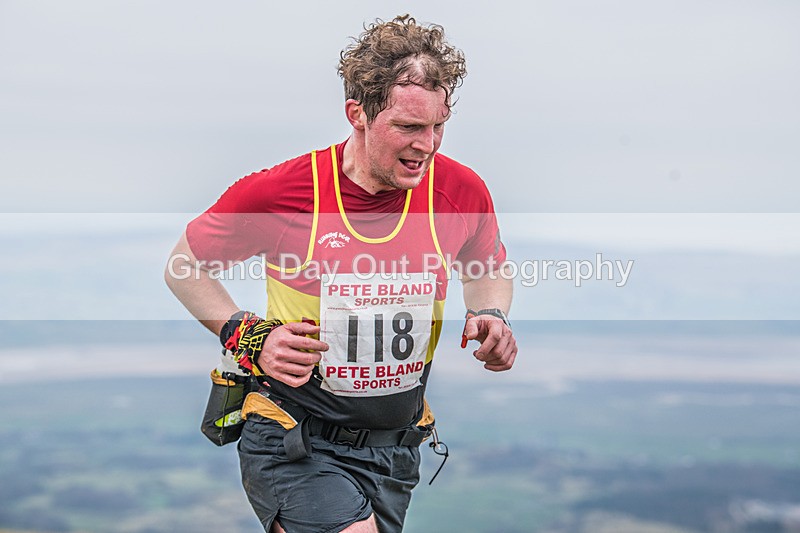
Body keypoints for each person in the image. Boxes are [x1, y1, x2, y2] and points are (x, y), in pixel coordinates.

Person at [165, 14, 517, 533]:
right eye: (408, 127)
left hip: (397, 449)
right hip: (294, 437)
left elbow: (486, 267)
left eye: (438, 125)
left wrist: (490, 313)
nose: (429, 145)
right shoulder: (282, 194)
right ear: (358, 113)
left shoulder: (460, 192)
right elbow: (183, 267)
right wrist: (248, 336)